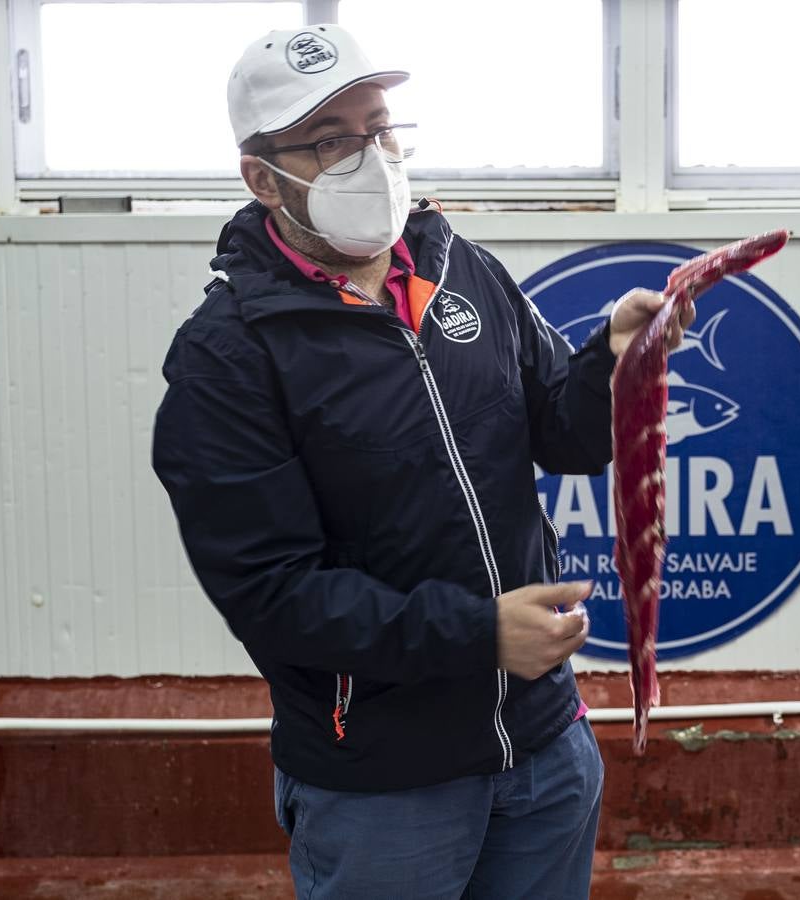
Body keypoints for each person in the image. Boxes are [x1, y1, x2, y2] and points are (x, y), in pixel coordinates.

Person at [152, 23, 694, 900]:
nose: (372, 156)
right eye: (332, 141)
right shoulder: (229, 356)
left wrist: (616, 364)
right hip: (382, 787)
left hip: (544, 749)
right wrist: (478, 636)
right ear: (262, 177)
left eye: (380, 127)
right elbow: (272, 596)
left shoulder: (461, 268)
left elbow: (567, 434)